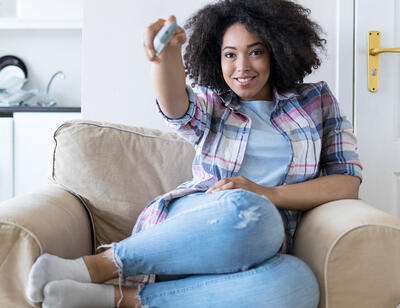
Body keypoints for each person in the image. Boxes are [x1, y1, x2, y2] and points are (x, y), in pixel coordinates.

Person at [26, 0, 362, 307]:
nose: (242, 66)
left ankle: (119, 299)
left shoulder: (316, 101)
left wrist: (268, 194)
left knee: (298, 284)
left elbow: (346, 182)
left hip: (266, 241)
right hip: (203, 223)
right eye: (230, 54)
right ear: (217, 57)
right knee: (252, 213)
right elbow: (176, 107)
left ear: (277, 51)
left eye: (255, 52)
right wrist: (168, 54)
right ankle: (96, 267)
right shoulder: (215, 103)